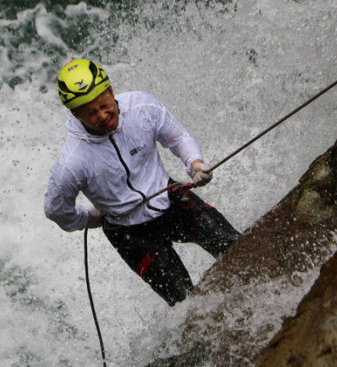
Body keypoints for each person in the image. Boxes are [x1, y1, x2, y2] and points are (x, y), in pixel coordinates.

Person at [44, 59, 241, 305]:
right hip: (130, 233)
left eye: (104, 105)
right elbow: (55, 209)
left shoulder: (142, 106)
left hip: (170, 199)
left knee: (237, 248)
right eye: (91, 113)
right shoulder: (71, 162)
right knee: (187, 301)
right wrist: (88, 218)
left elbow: (178, 137)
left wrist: (195, 164)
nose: (103, 116)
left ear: (111, 91)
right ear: (75, 114)